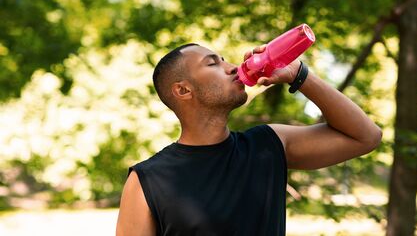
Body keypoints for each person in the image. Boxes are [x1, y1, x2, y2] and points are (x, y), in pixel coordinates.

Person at [116, 43, 382, 236]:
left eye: (224, 60)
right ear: (183, 90)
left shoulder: (268, 145)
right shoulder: (147, 180)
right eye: (213, 63)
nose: (232, 67)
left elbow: (366, 137)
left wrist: (299, 75)